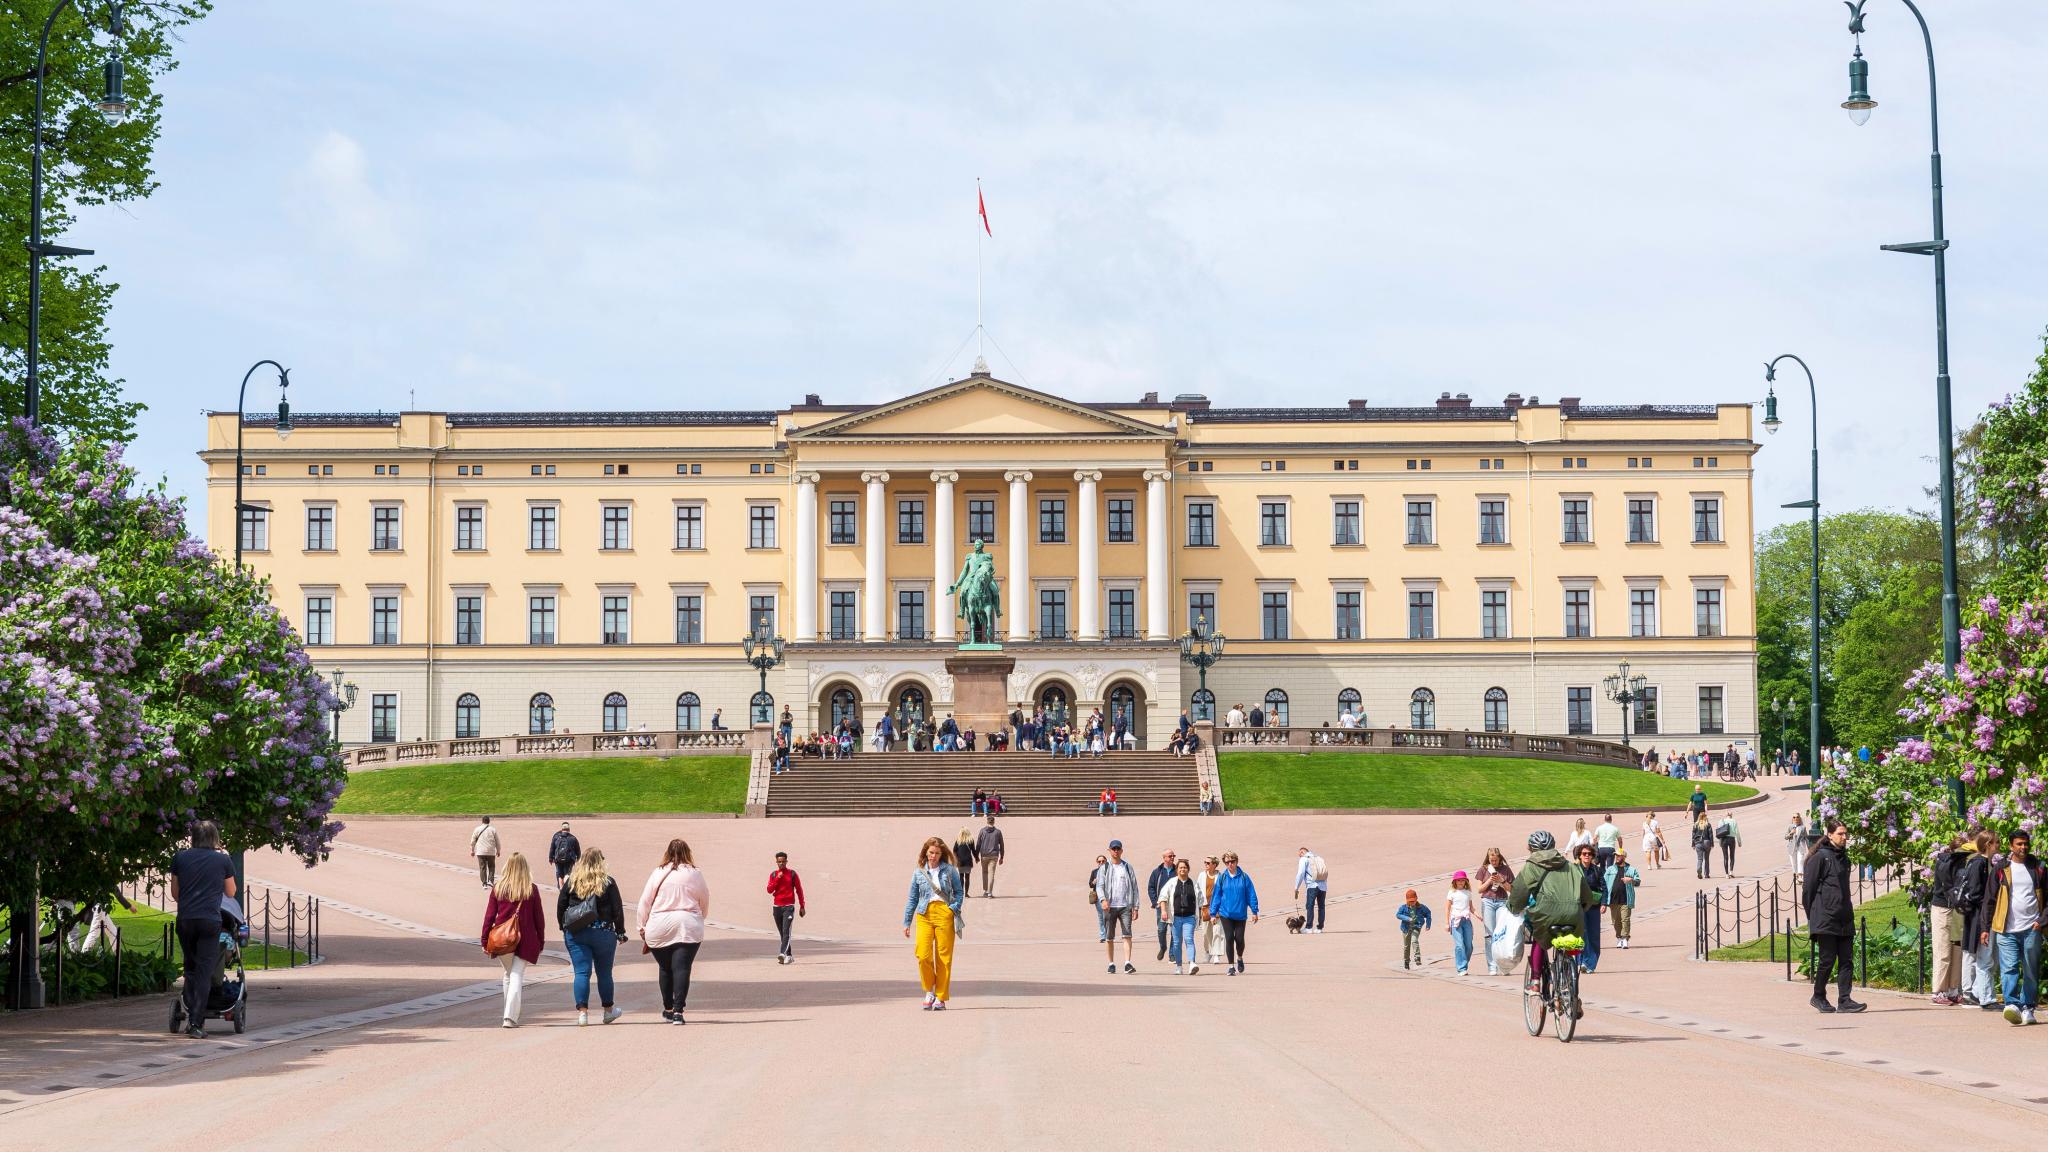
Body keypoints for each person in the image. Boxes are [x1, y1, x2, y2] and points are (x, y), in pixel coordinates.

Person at [1509, 830, 1596, 1011]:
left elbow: (1518, 894)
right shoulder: (1570, 866)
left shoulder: (1531, 867)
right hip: (1574, 915)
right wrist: (1585, 906)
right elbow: (1586, 894)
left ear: (1531, 848)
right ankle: (1570, 989)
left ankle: (1535, 981)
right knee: (1570, 944)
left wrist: (1513, 907)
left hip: (1545, 915)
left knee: (1540, 939)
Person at [169, 820, 238, 1038]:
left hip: (186, 919)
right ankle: (195, 1023)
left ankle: (189, 1008)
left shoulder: (179, 858)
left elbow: (175, 893)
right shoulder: (223, 860)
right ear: (214, 838)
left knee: (190, 967)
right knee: (204, 972)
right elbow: (231, 892)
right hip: (209, 920)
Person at [640, 839, 711, 1024]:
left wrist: (641, 927)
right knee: (682, 968)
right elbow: (704, 898)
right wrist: (700, 917)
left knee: (665, 968)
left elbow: (645, 901)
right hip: (687, 923)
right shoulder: (695, 873)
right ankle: (679, 1011)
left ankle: (668, 1007)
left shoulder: (658, 872)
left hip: (659, 924)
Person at [1982, 829, 2044, 1026]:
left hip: (2031, 928)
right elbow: (1989, 899)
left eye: (2025, 843)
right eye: (2019, 844)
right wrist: (1985, 927)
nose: (2023, 847)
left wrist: (2041, 921)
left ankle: (2028, 1007)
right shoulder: (2001, 868)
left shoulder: (2038, 868)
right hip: (2006, 929)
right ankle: (2012, 1004)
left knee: (2030, 969)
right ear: (2011, 846)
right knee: (2009, 968)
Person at [1802, 819, 1865, 1013]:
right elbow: (1808, 891)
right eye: (1840, 833)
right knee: (1827, 960)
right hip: (1825, 916)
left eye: (1846, 834)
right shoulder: (1820, 857)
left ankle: (1844, 1000)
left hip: (1844, 915)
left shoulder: (1844, 858)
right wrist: (1813, 916)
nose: (1845, 837)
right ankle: (1818, 995)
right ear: (1829, 835)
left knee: (1847, 960)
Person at [558, 847, 626, 1026]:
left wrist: (563, 927)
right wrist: (620, 931)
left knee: (581, 972)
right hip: (603, 931)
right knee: (604, 973)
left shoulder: (572, 881)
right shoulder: (608, 882)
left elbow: (561, 905)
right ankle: (608, 1011)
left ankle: (583, 1013)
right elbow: (617, 909)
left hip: (577, 932)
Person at [480, 851, 546, 1028]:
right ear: (525, 868)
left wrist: (485, 939)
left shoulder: (499, 888)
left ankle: (509, 1013)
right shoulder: (530, 889)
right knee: (516, 975)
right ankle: (510, 1016)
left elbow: (489, 916)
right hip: (526, 938)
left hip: (503, 938)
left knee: (509, 975)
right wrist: (541, 940)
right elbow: (539, 918)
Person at [903, 836, 965, 1009]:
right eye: (931, 852)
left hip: (944, 913)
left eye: (937, 853)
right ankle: (929, 990)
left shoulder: (950, 870)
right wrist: (907, 922)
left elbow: (959, 892)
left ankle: (941, 996)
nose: (934, 856)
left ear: (942, 853)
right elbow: (912, 898)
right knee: (923, 955)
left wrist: (953, 908)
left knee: (944, 958)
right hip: (924, 915)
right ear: (925, 852)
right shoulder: (918, 872)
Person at [1958, 829, 1999, 1010]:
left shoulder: (1983, 862)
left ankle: (1976, 991)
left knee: (1984, 955)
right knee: (1980, 954)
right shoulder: (1979, 863)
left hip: (1980, 914)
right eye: (1996, 842)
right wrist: (1990, 902)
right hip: (1978, 915)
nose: (1998, 845)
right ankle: (1976, 993)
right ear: (1988, 844)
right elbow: (1975, 892)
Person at [1929, 834, 1968, 1005]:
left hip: (1956, 910)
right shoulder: (1945, 863)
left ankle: (1953, 989)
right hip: (1943, 908)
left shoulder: (1964, 863)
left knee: (1956, 951)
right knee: (1943, 951)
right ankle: (1938, 991)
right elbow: (1948, 887)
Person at [1209, 851, 1259, 975]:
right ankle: (1231, 966)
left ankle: (1240, 958)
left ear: (1237, 861)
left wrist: (1254, 911)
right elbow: (1216, 896)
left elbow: (1251, 894)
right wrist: (1212, 913)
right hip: (1226, 914)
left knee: (1240, 939)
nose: (1230, 864)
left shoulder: (1244, 877)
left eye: (1232, 861)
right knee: (1229, 938)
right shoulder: (1222, 878)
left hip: (1240, 914)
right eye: (1227, 862)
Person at [1098, 839, 1141, 974]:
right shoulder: (1104, 867)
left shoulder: (1127, 867)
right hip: (1110, 907)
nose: (1116, 851)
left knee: (1127, 934)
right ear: (1109, 851)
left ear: (1121, 850)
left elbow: (1134, 887)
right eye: (1113, 849)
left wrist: (1135, 907)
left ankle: (1127, 963)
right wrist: (1103, 899)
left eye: (1118, 849)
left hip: (1125, 906)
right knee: (1109, 936)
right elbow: (1099, 886)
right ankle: (1111, 963)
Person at [1156, 859, 1204, 974]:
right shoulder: (1172, 882)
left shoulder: (1193, 883)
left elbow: (1201, 900)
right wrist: (1163, 911)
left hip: (1189, 917)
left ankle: (1192, 963)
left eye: (1185, 867)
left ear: (1188, 869)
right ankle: (1179, 966)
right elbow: (1163, 897)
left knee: (1189, 939)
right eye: (1180, 868)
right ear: (1177, 870)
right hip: (1175, 917)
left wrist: (1201, 914)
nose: (1183, 869)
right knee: (1177, 942)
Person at [1474, 848, 1514, 976]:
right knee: (1489, 934)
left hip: (1502, 901)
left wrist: (1502, 881)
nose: (1494, 862)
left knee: (1501, 933)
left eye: (1496, 860)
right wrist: (1490, 881)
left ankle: (1503, 965)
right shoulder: (1484, 869)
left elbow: (1512, 890)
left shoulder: (1506, 869)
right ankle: (1492, 966)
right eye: (1492, 860)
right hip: (1488, 901)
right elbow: (1479, 889)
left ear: (1500, 858)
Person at [766, 850, 805, 964]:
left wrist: (802, 906)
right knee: (782, 933)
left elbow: (799, 890)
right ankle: (789, 955)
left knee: (786, 931)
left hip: (789, 907)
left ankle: (782, 954)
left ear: (786, 861)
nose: (781, 864)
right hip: (777, 907)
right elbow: (769, 890)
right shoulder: (773, 874)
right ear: (776, 862)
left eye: (783, 861)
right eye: (779, 862)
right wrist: (778, 878)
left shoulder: (792, 874)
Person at [1573, 843, 1605, 974]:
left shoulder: (1597, 870)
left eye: (1589, 854)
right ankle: (1580, 962)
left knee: (1593, 936)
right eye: (1584, 854)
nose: (1587, 856)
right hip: (1578, 906)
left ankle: (1590, 964)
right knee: (1580, 935)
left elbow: (1604, 888)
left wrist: (1604, 903)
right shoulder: (1574, 870)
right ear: (1579, 856)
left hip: (1593, 907)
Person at [1605, 849, 1641, 949]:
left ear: (1624, 857)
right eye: (1616, 855)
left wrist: (1631, 880)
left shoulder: (1631, 870)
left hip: (1626, 899)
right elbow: (1603, 883)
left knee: (1625, 919)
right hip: (1613, 900)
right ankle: (1619, 937)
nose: (1617, 857)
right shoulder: (1610, 869)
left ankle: (1625, 939)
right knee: (1616, 921)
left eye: (1619, 856)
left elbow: (1638, 882)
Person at [1148, 849, 1178, 962]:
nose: (1172, 858)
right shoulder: (1157, 872)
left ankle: (1172, 954)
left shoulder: (1177, 871)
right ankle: (1163, 947)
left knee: (1174, 930)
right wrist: (1155, 902)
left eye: (1173, 856)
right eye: (1170, 856)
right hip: (1161, 906)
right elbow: (1151, 887)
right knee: (1161, 929)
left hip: (1175, 906)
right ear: (1164, 858)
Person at [1196, 855, 1225, 967]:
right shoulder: (1202, 875)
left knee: (1217, 930)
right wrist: (1198, 905)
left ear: (1214, 864)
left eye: (1208, 863)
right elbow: (1197, 889)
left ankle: (1216, 954)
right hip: (1205, 907)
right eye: (1205, 863)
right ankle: (1208, 952)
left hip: (1217, 907)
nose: (1206, 865)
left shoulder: (1220, 876)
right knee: (1205, 932)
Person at [1445, 872, 1476, 975]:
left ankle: (1464, 963)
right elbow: (1447, 908)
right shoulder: (1452, 892)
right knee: (1459, 945)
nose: (1460, 882)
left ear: (1466, 881)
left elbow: (1471, 908)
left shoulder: (1468, 892)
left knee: (1469, 946)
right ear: (1454, 881)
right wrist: (1447, 923)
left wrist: (1478, 915)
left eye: (1462, 880)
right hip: (1456, 921)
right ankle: (1461, 968)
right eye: (1458, 880)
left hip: (1466, 920)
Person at [1293, 847, 1329, 934]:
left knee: (1310, 906)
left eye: (1299, 855)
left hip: (1312, 885)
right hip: (1323, 886)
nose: (1299, 857)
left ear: (1302, 852)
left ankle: (1308, 928)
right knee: (1321, 907)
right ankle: (1320, 928)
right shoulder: (1319, 858)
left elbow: (1301, 873)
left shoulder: (1304, 859)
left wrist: (1296, 887)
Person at [1396, 890, 1432, 969]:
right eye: (1410, 901)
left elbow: (1428, 913)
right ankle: (1406, 961)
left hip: (1416, 926)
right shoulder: (1403, 907)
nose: (1412, 903)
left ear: (1416, 899)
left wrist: (1428, 924)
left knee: (1414, 940)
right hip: (1406, 928)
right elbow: (1398, 915)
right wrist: (1407, 918)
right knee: (1406, 946)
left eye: (1413, 901)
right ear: (1407, 900)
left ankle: (1417, 958)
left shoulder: (1421, 907)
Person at [974, 815, 1005, 897]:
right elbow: (1001, 845)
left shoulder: (982, 831)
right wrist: (1002, 857)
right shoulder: (998, 832)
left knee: (984, 873)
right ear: (994, 822)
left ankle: (985, 891)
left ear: (987, 822)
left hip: (984, 855)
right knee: (991, 874)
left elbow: (978, 844)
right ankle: (990, 892)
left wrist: (976, 856)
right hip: (994, 855)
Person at [469, 816, 501, 889]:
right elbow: (497, 842)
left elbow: (473, 841)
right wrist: (498, 851)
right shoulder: (493, 829)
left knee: (482, 867)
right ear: (489, 821)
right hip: (491, 851)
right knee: (491, 867)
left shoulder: (477, 829)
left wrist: (472, 850)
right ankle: (490, 881)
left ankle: (484, 883)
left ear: (482, 821)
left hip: (480, 851)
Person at [1088, 854, 1109, 943]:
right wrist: (1094, 881)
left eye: (1103, 861)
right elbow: (1090, 884)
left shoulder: (1109, 870)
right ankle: (1103, 936)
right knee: (1101, 916)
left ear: (1106, 862)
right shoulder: (1094, 872)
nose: (1101, 863)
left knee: (1107, 916)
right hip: (1098, 897)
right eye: (1099, 861)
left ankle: (1109, 934)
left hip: (1108, 896)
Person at [953, 831, 978, 901]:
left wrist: (956, 858)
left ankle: (961, 893)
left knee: (961, 877)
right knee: (967, 877)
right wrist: (977, 858)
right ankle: (966, 893)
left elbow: (954, 850)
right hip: (968, 861)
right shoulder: (971, 841)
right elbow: (973, 850)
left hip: (960, 861)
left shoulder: (958, 840)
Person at [1690, 814, 1715, 880]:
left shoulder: (1695, 825)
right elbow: (1711, 835)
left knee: (1700, 859)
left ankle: (1699, 870)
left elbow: (1693, 836)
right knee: (1706, 859)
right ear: (1705, 817)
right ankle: (1706, 874)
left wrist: (1693, 844)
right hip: (1707, 842)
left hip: (1698, 843)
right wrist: (1712, 844)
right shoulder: (1708, 824)